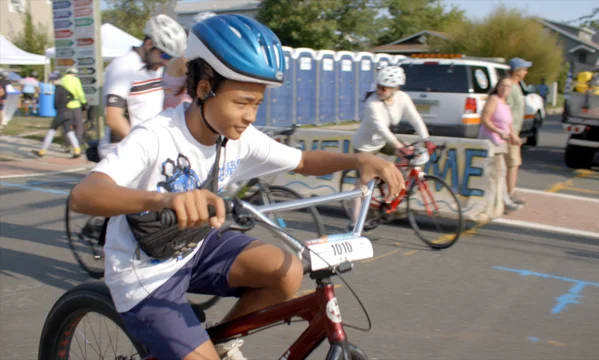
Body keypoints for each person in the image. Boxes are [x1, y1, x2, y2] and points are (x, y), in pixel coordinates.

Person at [68, 14, 405, 360]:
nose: (250, 116)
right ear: (203, 89)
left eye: (257, 103)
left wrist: (360, 161)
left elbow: (303, 161)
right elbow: (84, 196)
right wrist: (167, 199)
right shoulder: (155, 136)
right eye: (242, 102)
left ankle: (222, 344)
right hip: (146, 272)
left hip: (196, 246)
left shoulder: (238, 137)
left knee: (287, 272)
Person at [350, 65, 436, 230]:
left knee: (413, 158)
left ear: (395, 88)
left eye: (384, 88)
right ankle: (355, 222)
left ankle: (395, 193)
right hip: (365, 146)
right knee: (362, 184)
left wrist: (426, 139)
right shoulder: (372, 103)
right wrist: (400, 147)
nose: (380, 90)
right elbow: (382, 129)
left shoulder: (402, 97)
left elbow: (415, 118)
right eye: (378, 86)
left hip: (384, 142)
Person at [98, 14, 187, 160]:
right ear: (149, 44)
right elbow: (113, 118)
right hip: (121, 150)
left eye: (170, 58)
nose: (166, 63)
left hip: (146, 147)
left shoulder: (154, 66)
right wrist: (142, 147)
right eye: (165, 56)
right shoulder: (123, 67)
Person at [477, 77, 523, 213]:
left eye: (508, 87)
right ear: (497, 86)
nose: (505, 89)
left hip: (500, 142)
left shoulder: (505, 103)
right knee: (497, 172)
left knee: (500, 172)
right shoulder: (493, 100)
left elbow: (508, 124)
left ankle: (501, 201)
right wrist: (498, 131)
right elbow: (485, 120)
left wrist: (514, 137)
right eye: (502, 86)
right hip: (491, 141)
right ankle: (503, 202)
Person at [32, 71, 83, 158]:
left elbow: (55, 103)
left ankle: (42, 151)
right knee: (69, 131)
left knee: (51, 131)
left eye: (52, 80)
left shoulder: (57, 89)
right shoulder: (64, 89)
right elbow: (72, 96)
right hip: (68, 112)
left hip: (61, 113)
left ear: (55, 80)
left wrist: (58, 107)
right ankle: (77, 150)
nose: (52, 82)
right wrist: (66, 102)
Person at [505, 57, 531, 205]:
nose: (526, 72)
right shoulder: (510, 87)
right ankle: (510, 194)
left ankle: (508, 193)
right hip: (510, 133)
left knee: (510, 164)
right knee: (512, 164)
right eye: (524, 69)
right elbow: (506, 112)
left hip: (513, 132)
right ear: (517, 72)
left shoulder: (516, 86)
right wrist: (512, 133)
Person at [58, 68, 88, 147]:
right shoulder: (75, 80)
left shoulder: (62, 80)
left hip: (64, 106)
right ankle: (78, 141)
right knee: (78, 124)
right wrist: (84, 102)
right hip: (75, 104)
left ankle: (67, 143)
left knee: (67, 125)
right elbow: (79, 91)